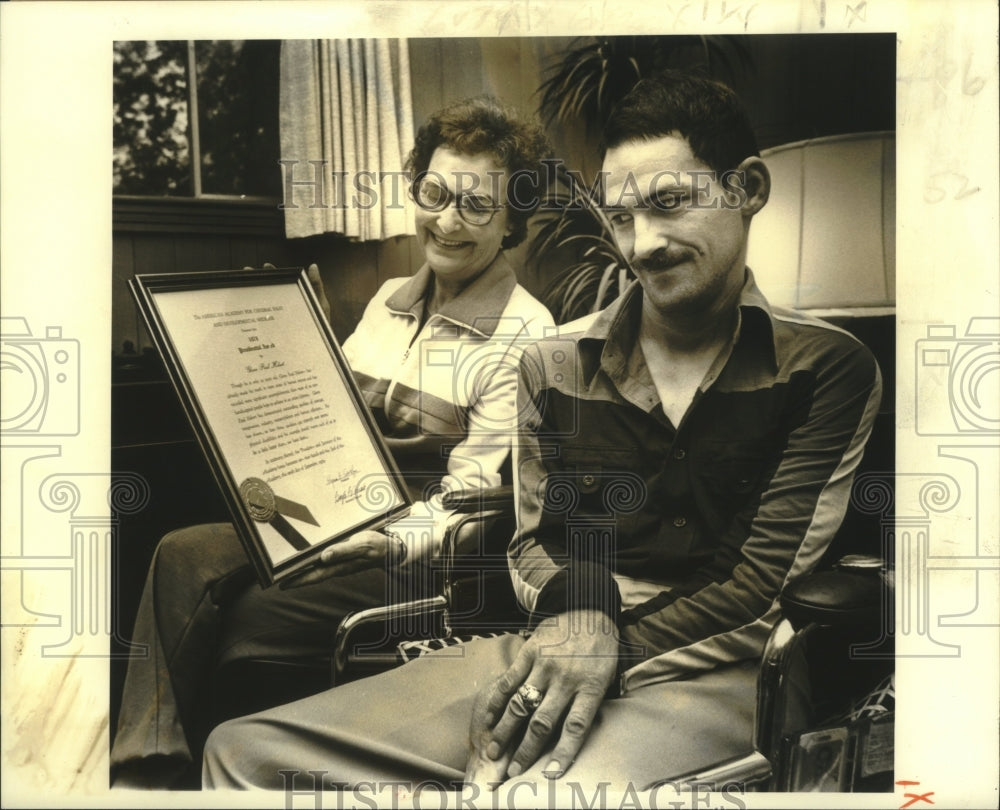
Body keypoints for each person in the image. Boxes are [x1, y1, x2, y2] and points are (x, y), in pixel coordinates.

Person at [201, 70, 883, 795]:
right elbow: (536, 541)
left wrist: (597, 648)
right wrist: (578, 618)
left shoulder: (827, 367)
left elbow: (757, 585)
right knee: (243, 750)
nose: (642, 244)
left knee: (527, 797)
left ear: (747, 189)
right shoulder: (553, 362)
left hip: (718, 672)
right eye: (621, 218)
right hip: (553, 638)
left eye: (670, 204)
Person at [111, 96, 556, 789]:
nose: (446, 220)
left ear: (512, 220)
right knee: (177, 551)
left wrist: (383, 539)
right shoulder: (385, 300)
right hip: (326, 515)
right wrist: (287, 344)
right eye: (435, 193)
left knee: (245, 613)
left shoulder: (527, 334)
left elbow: (474, 499)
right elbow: (328, 425)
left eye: (476, 204)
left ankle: (195, 769)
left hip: (413, 556)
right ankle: (151, 765)